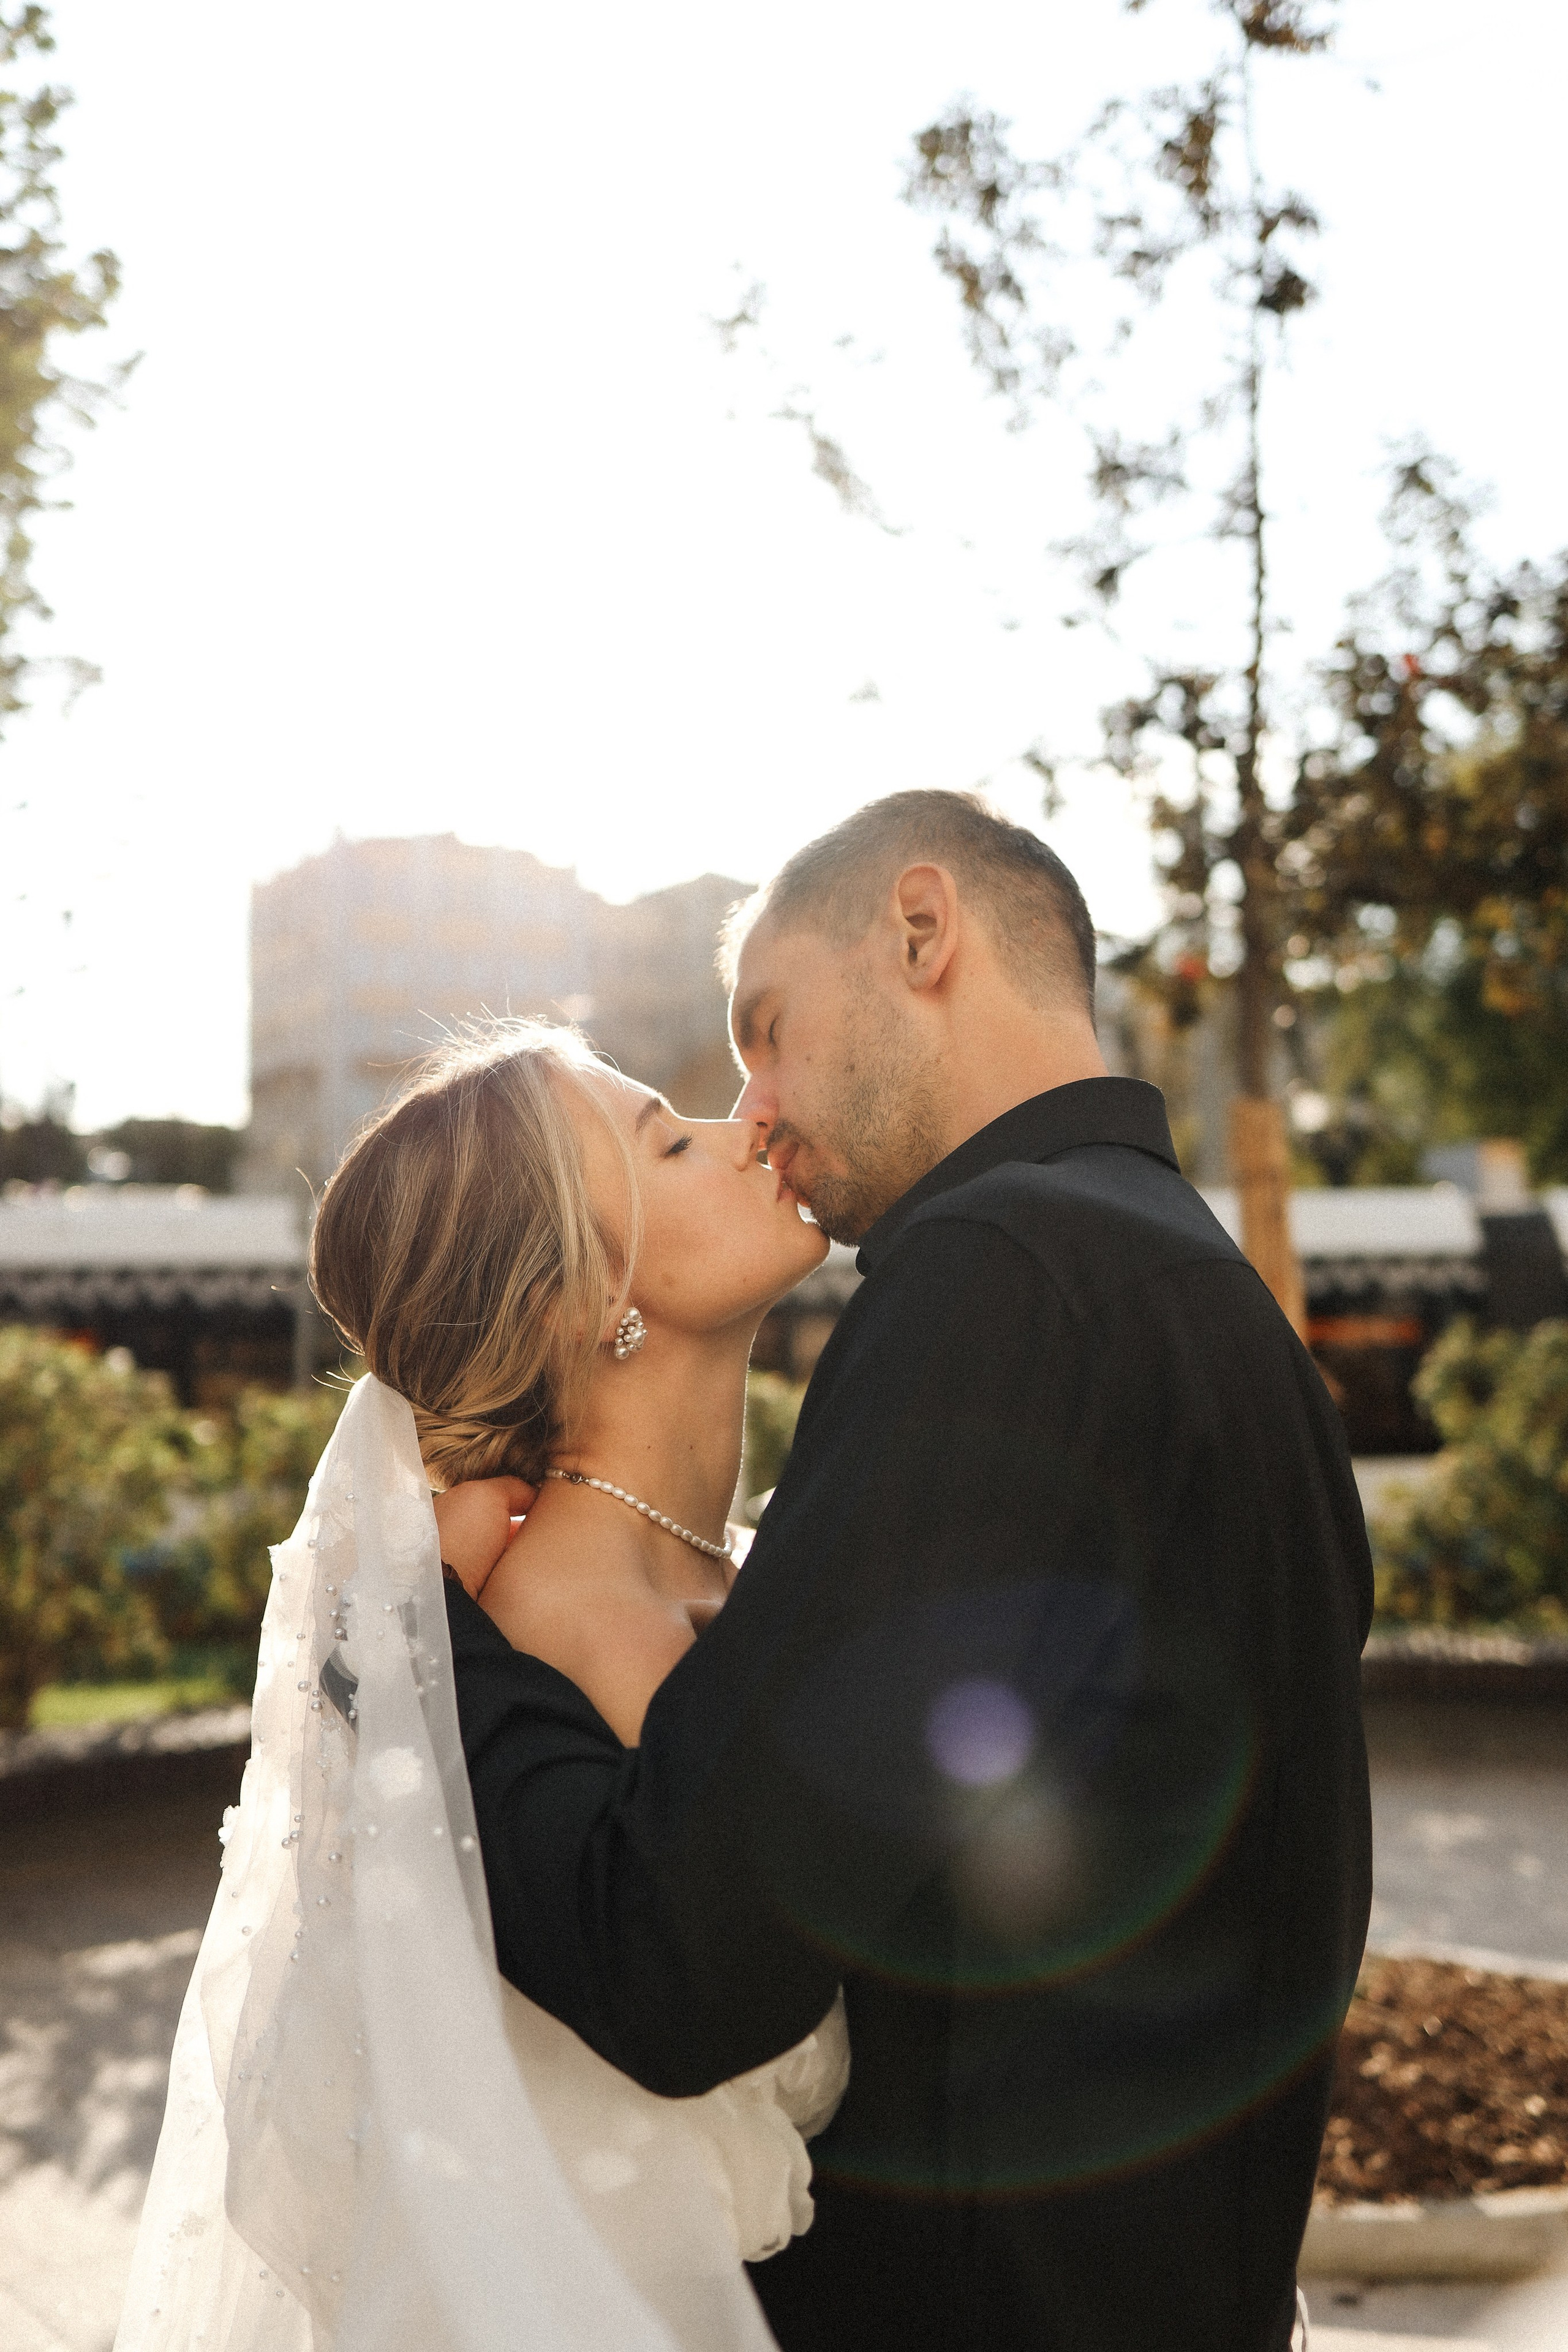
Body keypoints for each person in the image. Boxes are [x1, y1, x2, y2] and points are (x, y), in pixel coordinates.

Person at [439, 790, 1373, 2352]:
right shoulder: (1212, 1298)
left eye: (768, 1028)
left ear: (920, 934)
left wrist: (436, 1651)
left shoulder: (991, 1278)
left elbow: (681, 1959)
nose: (756, 1105)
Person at [114, 1022, 850, 2352]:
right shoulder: (571, 1624)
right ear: (580, 1300)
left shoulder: (723, 1577)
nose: (749, 1119)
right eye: (669, 1141)